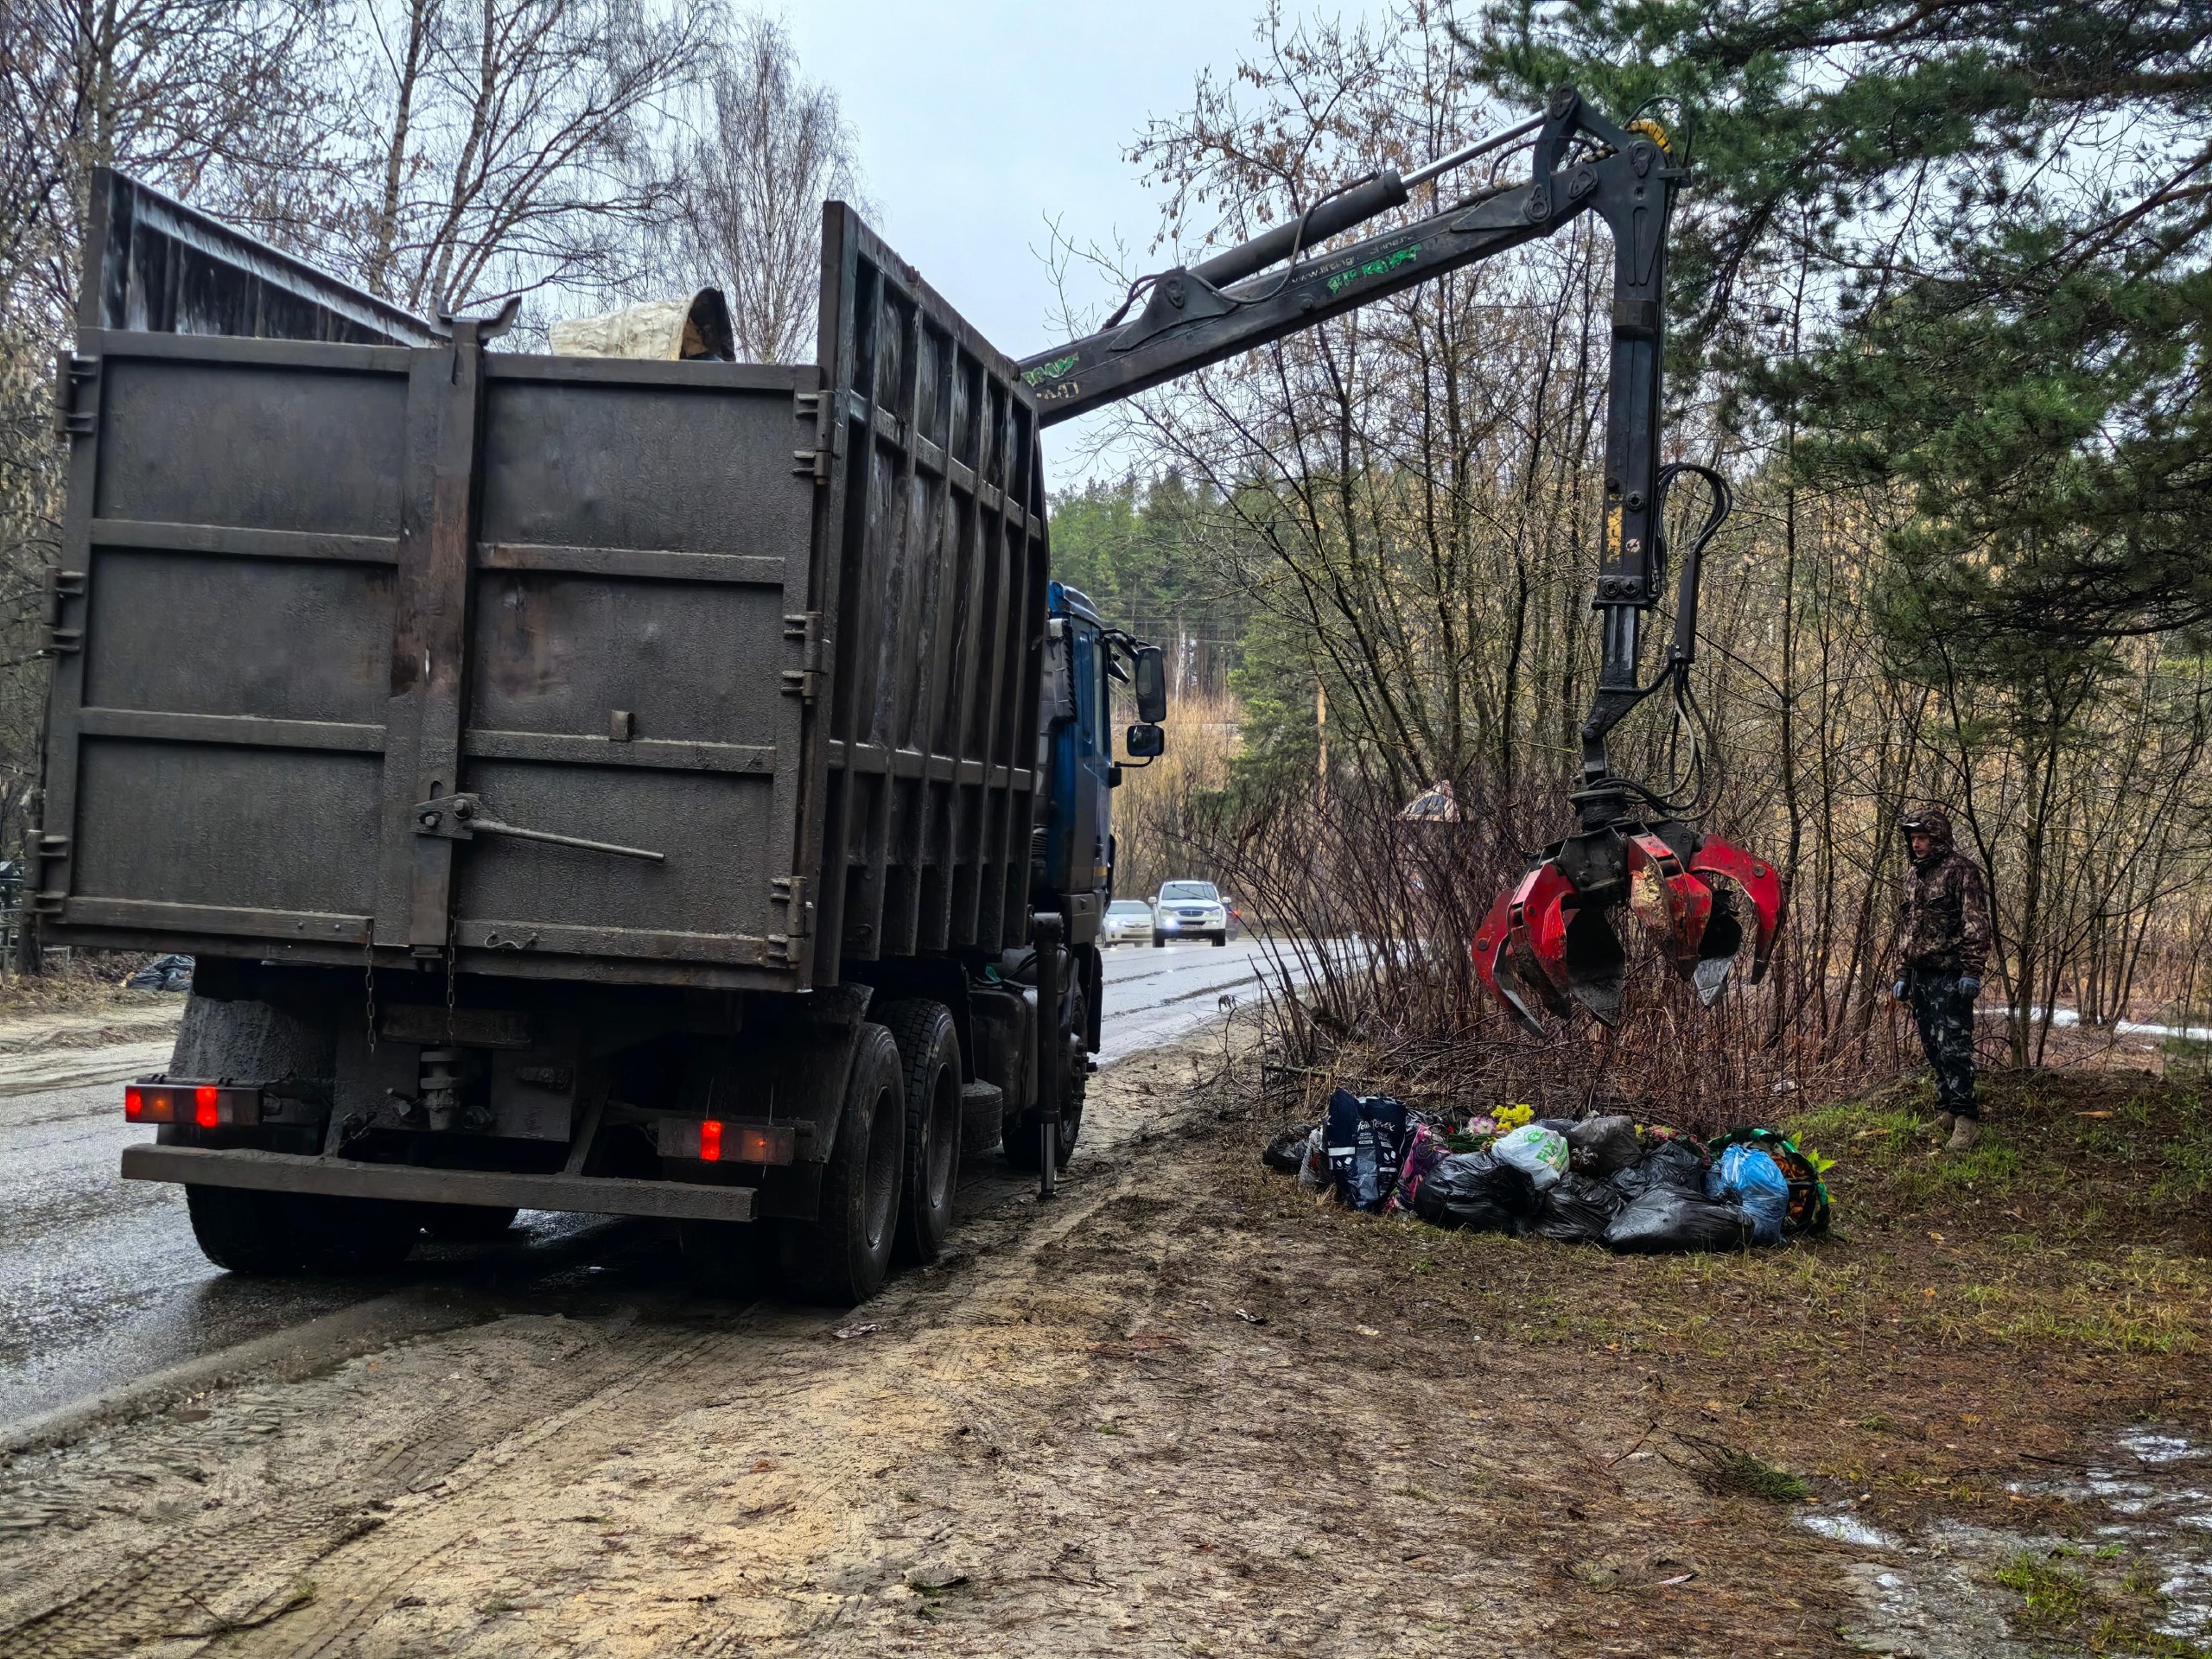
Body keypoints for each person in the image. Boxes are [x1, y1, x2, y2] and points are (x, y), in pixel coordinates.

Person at [1891, 807, 1993, 1152]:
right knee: (1932, 1046)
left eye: (1923, 838)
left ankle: (1967, 1120)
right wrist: (1904, 973)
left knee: (1954, 1048)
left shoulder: (1961, 871)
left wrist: (1971, 972)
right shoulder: (1913, 875)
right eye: (1913, 838)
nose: (1917, 844)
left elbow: (1976, 924)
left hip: (1951, 974)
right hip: (1921, 974)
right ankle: (1947, 1109)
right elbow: (1908, 929)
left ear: (1938, 838)